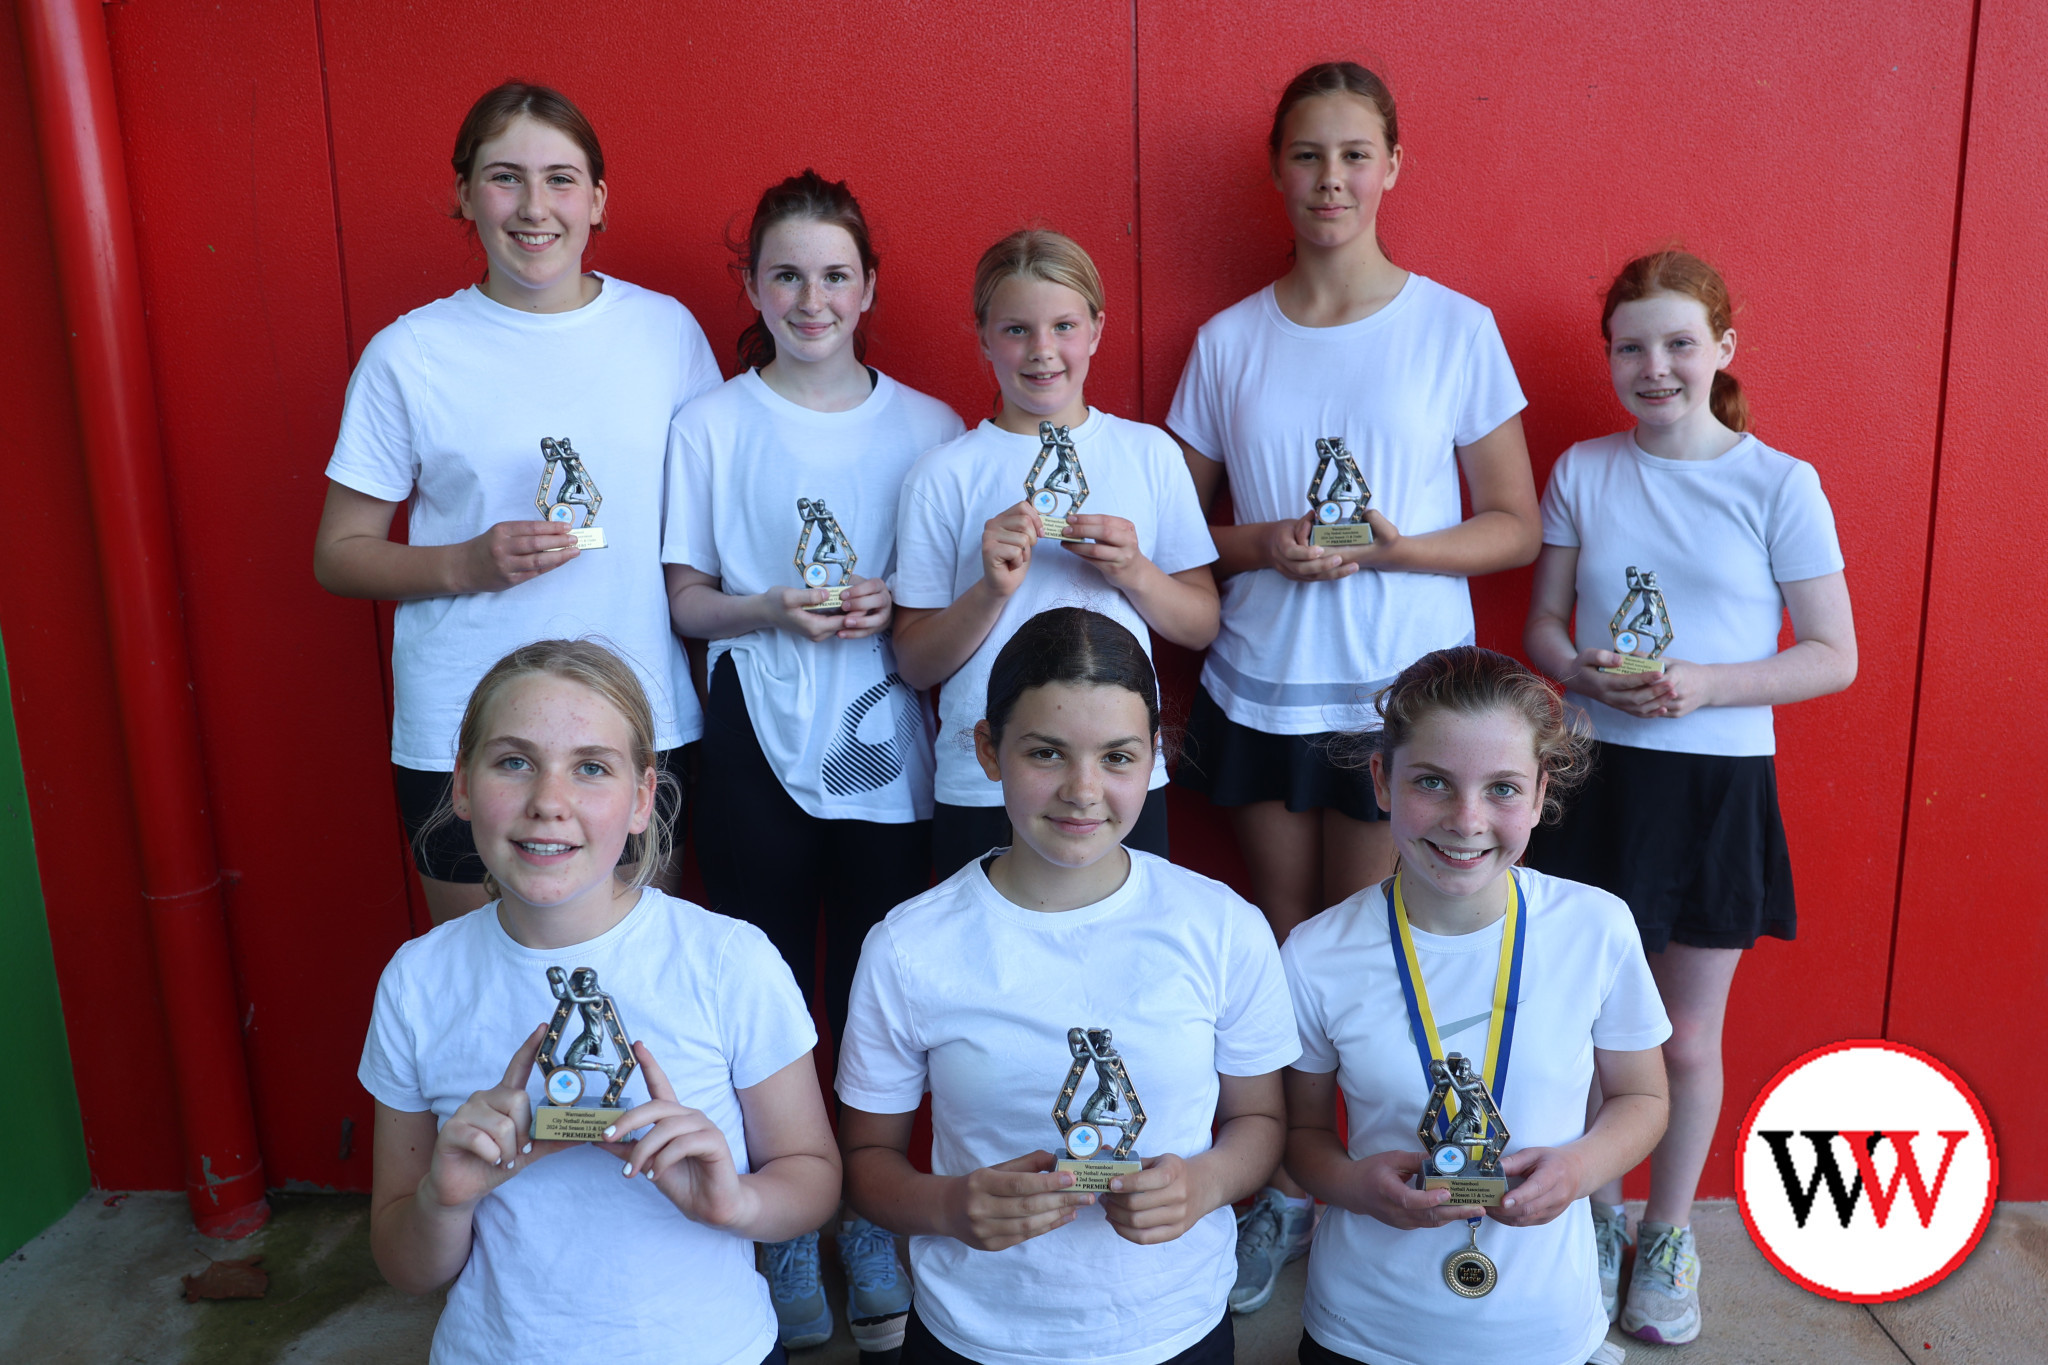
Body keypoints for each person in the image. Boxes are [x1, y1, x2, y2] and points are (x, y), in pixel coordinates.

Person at [1163, 59, 1541, 1308]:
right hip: (1267, 686)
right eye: (1307, 156)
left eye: (1353, 154)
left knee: (1388, 954)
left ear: (1392, 166)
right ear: (1278, 172)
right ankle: (1280, 1190)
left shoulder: (1453, 327)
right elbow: (1177, 525)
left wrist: (1393, 549)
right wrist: (1265, 542)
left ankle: (1404, 1175)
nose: (1330, 179)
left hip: (1404, 705)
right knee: (1283, 957)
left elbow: (1513, 525)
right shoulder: (1229, 340)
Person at [1522, 249, 1856, 1344]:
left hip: (1715, 785)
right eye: (1630, 346)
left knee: (1683, 1040)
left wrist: (1705, 684)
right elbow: (1542, 634)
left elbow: (1829, 656)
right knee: (1575, 1029)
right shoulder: (1579, 467)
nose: (1652, 366)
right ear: (1609, 358)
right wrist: (1585, 671)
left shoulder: (1779, 482)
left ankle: (1666, 1237)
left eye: (1676, 343)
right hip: (1594, 776)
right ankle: (1589, 1217)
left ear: (1722, 348)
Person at [663, 168, 963, 1355]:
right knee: (770, 988)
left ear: (869, 286)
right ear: (751, 284)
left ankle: (869, 1217)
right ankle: (785, 1223)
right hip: (751, 740)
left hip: (887, 747)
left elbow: (946, 607)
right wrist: (773, 610)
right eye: (785, 273)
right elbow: (685, 604)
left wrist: (898, 602)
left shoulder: (931, 425)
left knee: (874, 992)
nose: (810, 296)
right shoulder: (713, 424)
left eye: (833, 274)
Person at [837, 608, 1299, 1365]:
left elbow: (1260, 1121)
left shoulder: (1220, 925)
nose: (1083, 790)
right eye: (1046, 752)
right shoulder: (908, 945)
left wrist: (1208, 1181)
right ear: (989, 751)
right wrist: (948, 1206)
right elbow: (866, 1159)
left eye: (1118, 756)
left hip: (1173, 1328)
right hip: (977, 1334)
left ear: (1156, 756)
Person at [359, 639, 840, 1365]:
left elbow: (813, 1176)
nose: (549, 802)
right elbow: (404, 1263)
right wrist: (442, 1199)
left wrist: (734, 1203)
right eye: (514, 761)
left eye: (591, 767)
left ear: (643, 797)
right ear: (461, 784)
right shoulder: (417, 981)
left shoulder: (727, 960)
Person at [315, 82, 719, 925]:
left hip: (637, 719)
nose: (535, 207)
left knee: (627, 989)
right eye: (505, 177)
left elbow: (713, 525)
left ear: (598, 199)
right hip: (463, 727)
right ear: (464, 193)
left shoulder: (667, 334)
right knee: (482, 991)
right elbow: (340, 552)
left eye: (561, 179)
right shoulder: (410, 354)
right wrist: (468, 562)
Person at [1281, 646, 1672, 1365]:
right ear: (1383, 780)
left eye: (1501, 788)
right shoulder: (1315, 953)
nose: (1466, 820)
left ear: (1540, 790)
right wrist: (1355, 1186)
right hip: (1365, 1332)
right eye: (1433, 781)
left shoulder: (1598, 926)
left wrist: (1581, 1168)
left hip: (1544, 1330)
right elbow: (1301, 1133)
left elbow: (1643, 1096)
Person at [893, 230, 1219, 878]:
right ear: (983, 335)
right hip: (984, 776)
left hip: (1119, 775)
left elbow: (1201, 622)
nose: (1042, 351)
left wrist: (1135, 572)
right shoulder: (942, 473)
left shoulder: (1149, 455)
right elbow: (914, 662)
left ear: (1096, 329)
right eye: (1016, 329)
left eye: (1063, 325)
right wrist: (989, 589)